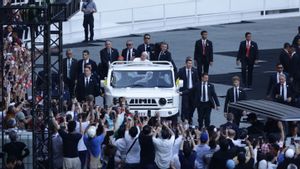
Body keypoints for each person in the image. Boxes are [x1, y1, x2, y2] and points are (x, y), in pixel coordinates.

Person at [177, 56, 199, 123]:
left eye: (191, 63)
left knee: (192, 106)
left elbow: (197, 81)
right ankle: (184, 117)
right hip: (184, 91)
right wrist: (178, 87)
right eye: (188, 63)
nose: (190, 65)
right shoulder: (181, 70)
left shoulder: (195, 71)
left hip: (192, 91)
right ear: (186, 63)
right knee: (185, 106)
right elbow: (177, 79)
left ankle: (190, 117)